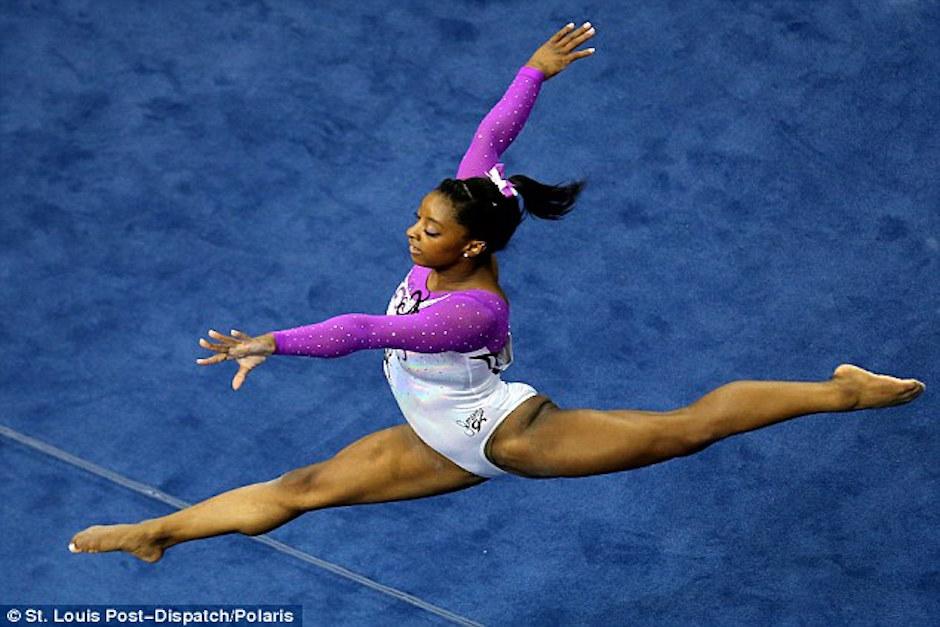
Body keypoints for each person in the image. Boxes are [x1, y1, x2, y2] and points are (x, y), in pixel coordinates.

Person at [69, 22, 925, 563]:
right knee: (299, 487)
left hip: (505, 434)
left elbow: (366, 329)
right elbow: (489, 137)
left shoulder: (472, 309)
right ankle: (158, 534)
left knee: (682, 431)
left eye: (429, 231)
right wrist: (534, 71)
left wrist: (274, 341)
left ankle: (841, 391)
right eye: (417, 218)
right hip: (434, 433)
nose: (414, 234)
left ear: (471, 245)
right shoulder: (471, 208)